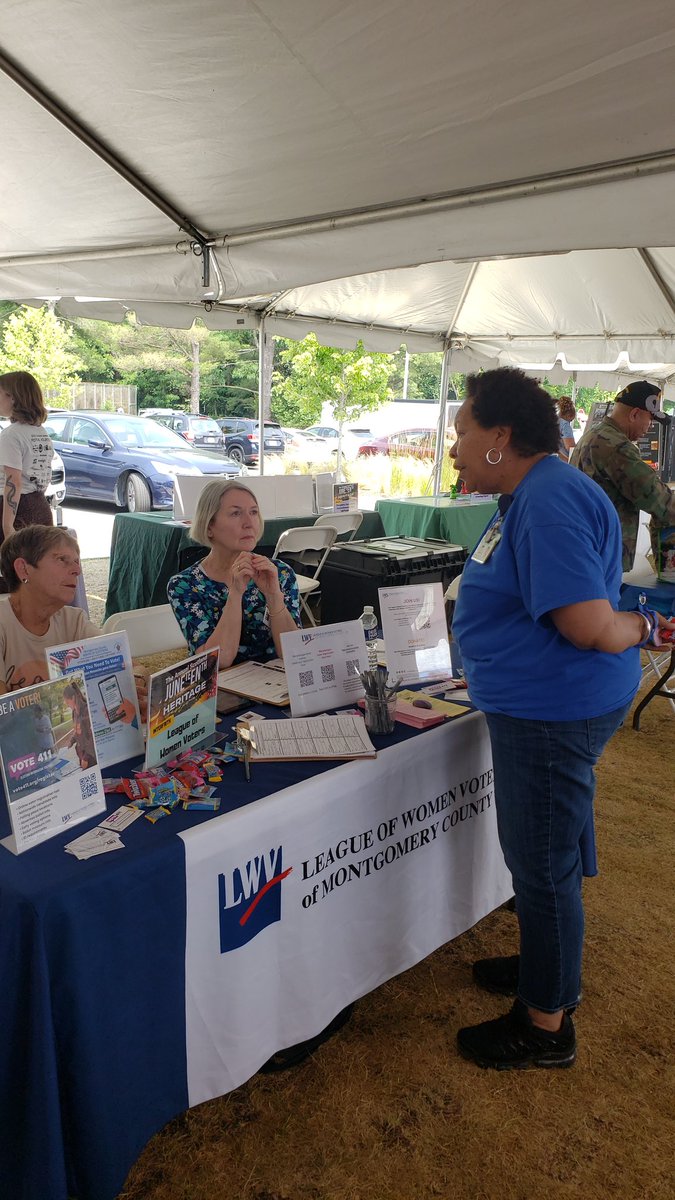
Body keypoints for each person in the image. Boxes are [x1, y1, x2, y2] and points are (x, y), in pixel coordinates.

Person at [449, 367, 675, 1071]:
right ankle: (542, 964)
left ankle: (545, 1025)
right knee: (551, 849)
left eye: (462, 431)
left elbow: (587, 625)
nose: (453, 446)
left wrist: (646, 626)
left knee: (541, 865)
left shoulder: (546, 499)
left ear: (500, 435)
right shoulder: (532, 491)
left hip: (550, 705)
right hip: (549, 698)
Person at [0, 525, 148, 709]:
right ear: (23, 569)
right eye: (62, 559)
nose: (77, 570)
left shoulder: (74, 620)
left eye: (77, 562)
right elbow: (5, 719)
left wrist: (132, 686)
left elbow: (134, 667)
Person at [167, 480, 301, 664]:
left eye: (253, 512)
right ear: (209, 526)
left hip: (274, 686)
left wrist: (273, 596)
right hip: (223, 689)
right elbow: (219, 661)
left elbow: (297, 654)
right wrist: (235, 593)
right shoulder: (184, 585)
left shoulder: (279, 573)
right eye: (236, 513)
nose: (249, 523)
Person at [570, 380, 675, 570]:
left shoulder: (595, 434)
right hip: (600, 555)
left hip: (586, 548)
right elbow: (655, 497)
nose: (650, 426)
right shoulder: (616, 446)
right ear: (635, 414)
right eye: (650, 419)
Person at [0, 371, 54, 541]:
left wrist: (8, 527)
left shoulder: (11, 435)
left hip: (16, 512)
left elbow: (13, 481)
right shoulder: (40, 432)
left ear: (13, 398)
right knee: (38, 565)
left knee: (15, 565)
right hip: (39, 505)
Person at [62, 679, 96, 769]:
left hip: (90, 758)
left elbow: (92, 737)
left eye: (67, 701)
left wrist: (86, 758)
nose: (66, 704)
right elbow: (77, 731)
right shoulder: (74, 713)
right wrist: (71, 741)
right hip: (81, 754)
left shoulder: (86, 711)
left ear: (73, 698)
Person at [557, 395, 576, 460]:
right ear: (569, 416)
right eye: (571, 420)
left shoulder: (554, 421)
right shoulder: (565, 425)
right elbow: (570, 448)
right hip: (565, 460)